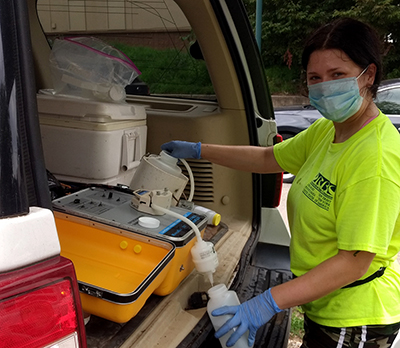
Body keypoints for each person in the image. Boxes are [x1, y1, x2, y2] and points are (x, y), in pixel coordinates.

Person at [161, 18, 400, 348]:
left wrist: (266, 303)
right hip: (326, 303)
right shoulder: (330, 129)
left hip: (355, 316)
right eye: (315, 78)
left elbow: (354, 262)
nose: (324, 86)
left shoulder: (374, 158)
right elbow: (267, 158)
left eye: (337, 75)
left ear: (368, 75)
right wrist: (201, 151)